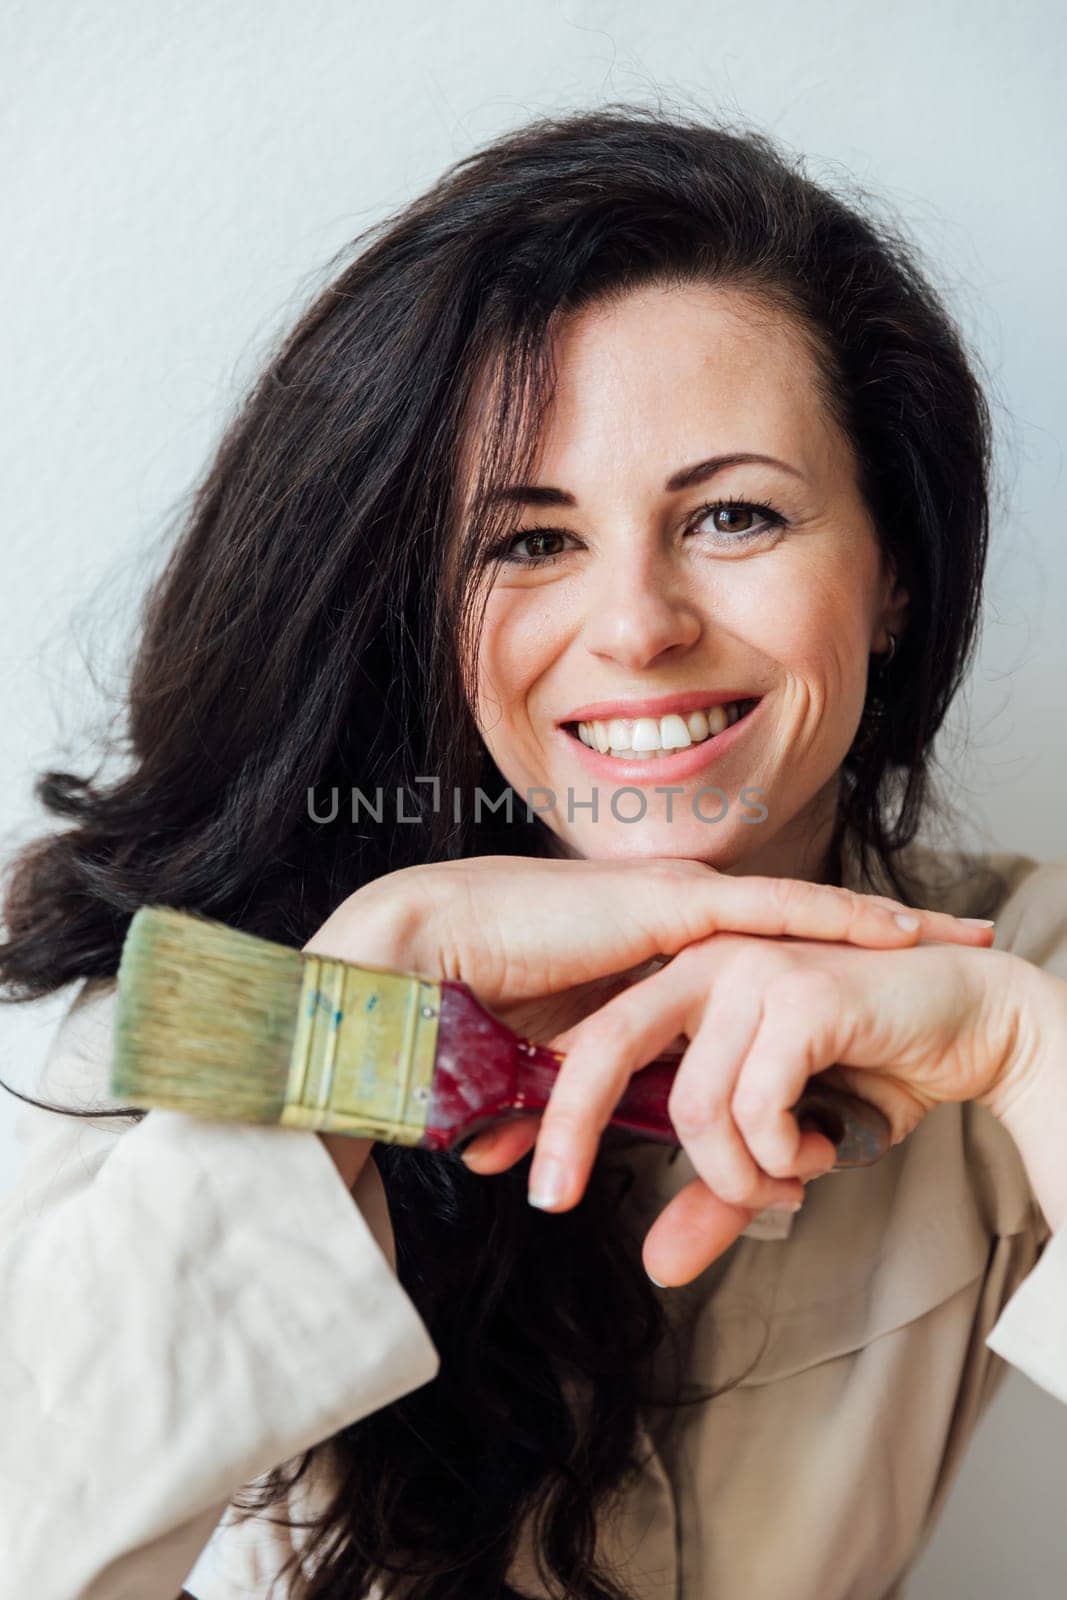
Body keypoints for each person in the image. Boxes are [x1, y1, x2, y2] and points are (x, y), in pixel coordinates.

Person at [1, 103, 1065, 1600]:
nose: (636, 626)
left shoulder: (1017, 986)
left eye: (736, 515)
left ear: (894, 572)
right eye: (530, 541)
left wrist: (1022, 1055)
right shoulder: (142, 1009)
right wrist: (353, 1021)